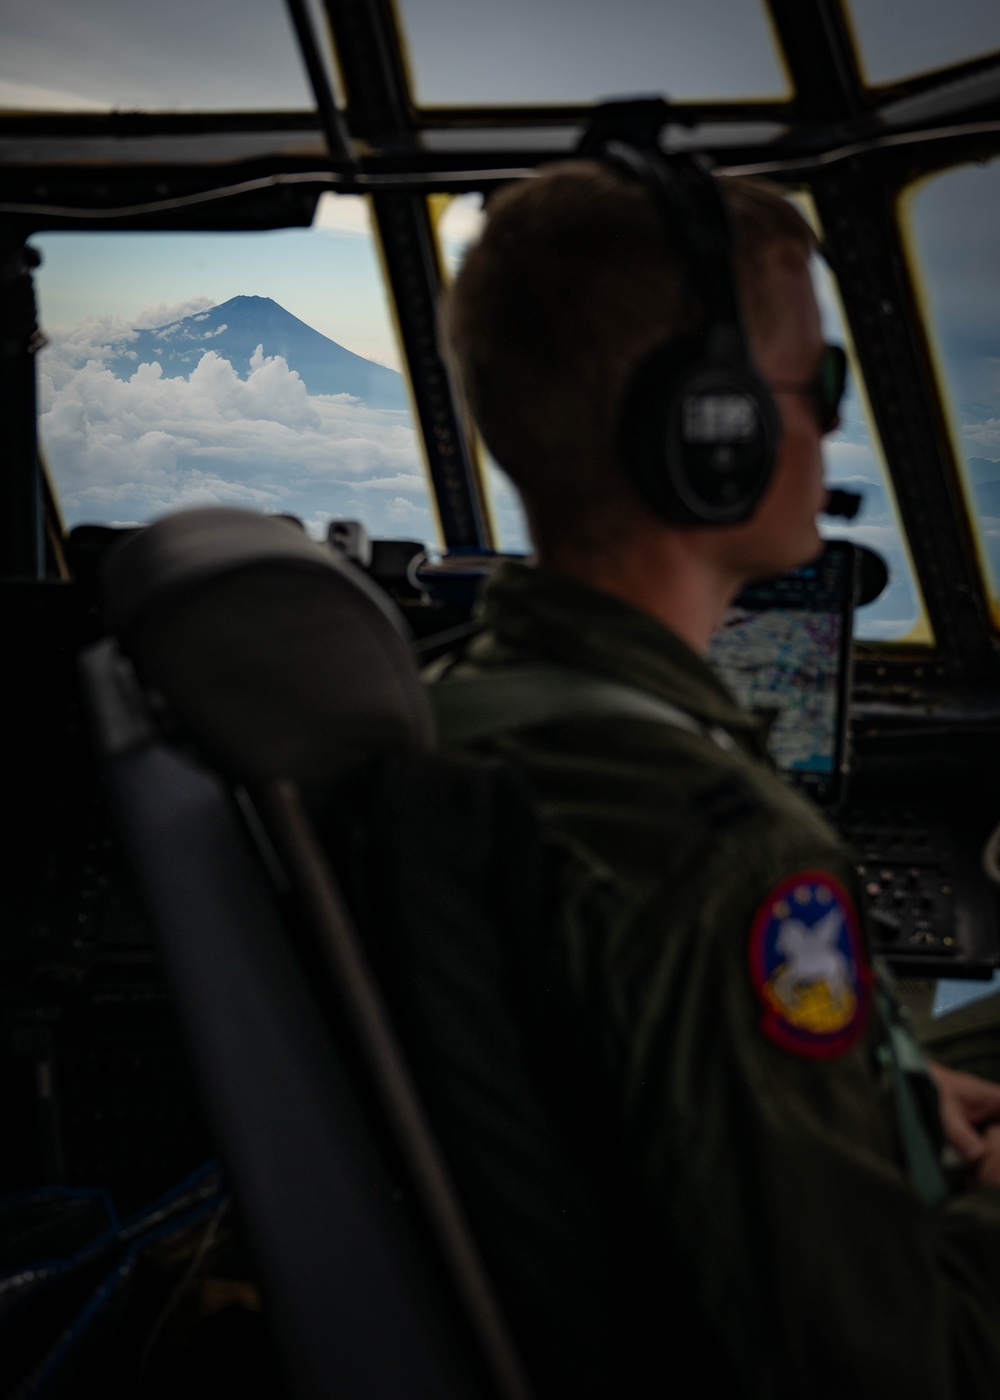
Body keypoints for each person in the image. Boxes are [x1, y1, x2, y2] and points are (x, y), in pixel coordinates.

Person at [431, 156, 1000, 1396]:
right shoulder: (724, 853)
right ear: (712, 428)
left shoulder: (469, 710)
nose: (838, 423)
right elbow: (890, 1368)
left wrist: (881, 1090)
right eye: (823, 380)